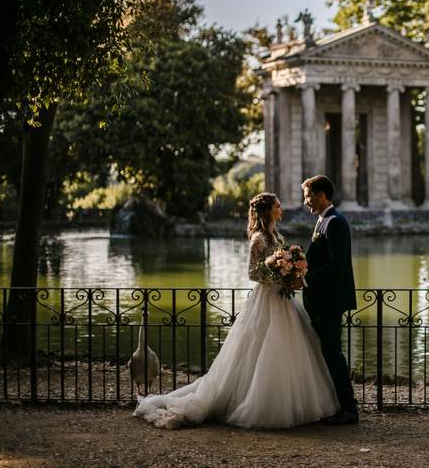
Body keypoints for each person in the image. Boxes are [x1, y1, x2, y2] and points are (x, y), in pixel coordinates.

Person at [132, 192, 339, 429]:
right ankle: (253, 402)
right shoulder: (259, 238)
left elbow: (280, 264)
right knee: (260, 349)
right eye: (278, 206)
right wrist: (277, 273)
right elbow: (252, 272)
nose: (282, 209)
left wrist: (291, 271)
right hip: (266, 299)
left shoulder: (277, 235)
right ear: (268, 210)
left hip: (283, 300)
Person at [301, 175, 359, 425]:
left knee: (333, 352)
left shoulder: (336, 222)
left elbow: (336, 265)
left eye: (308, 196)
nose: (306, 202)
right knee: (327, 352)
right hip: (320, 299)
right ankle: (337, 404)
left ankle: (349, 408)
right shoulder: (322, 221)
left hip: (330, 300)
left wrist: (304, 280)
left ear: (322, 194)